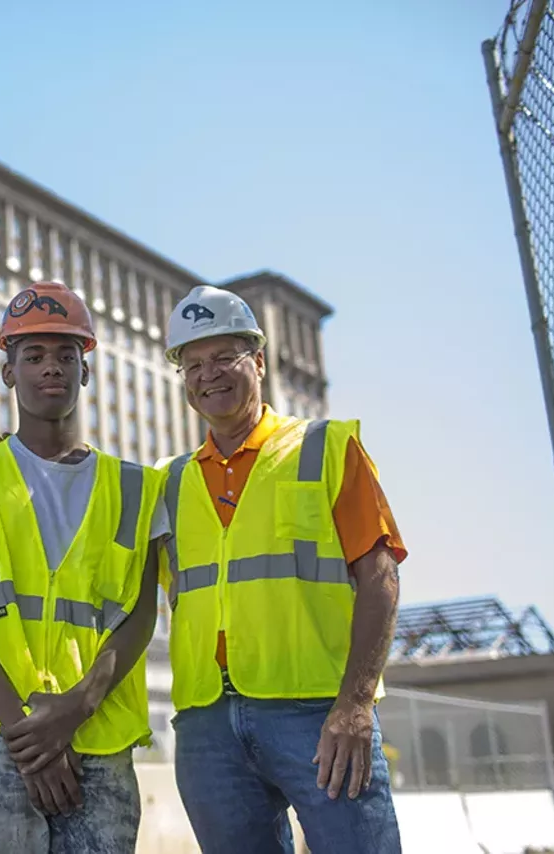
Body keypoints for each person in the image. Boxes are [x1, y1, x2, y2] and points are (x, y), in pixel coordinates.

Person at [0, 281, 169, 854]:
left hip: (100, 738)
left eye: (65, 355)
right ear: (9, 372)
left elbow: (139, 614)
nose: (50, 367)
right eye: (33, 355)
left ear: (86, 369)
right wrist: (30, 735)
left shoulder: (139, 488)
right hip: (3, 740)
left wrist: (75, 709)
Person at [158, 285, 406, 854]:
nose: (208, 375)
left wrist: (355, 704)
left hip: (318, 715)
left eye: (224, 358)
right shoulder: (168, 482)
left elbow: (381, 577)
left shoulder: (324, 448)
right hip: (208, 725)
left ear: (260, 361)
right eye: (193, 364)